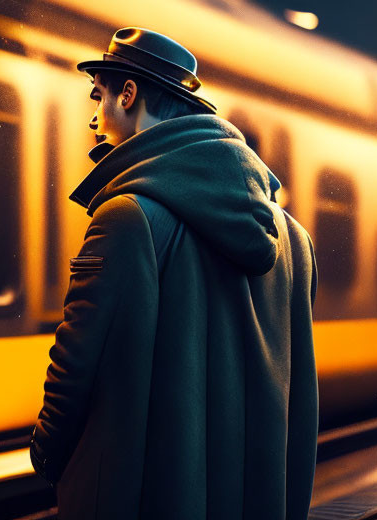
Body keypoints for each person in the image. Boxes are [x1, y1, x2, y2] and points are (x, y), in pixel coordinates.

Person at [30, 27, 318, 520]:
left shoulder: (125, 218)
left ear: (129, 94)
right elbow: (303, 401)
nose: (94, 117)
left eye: (99, 97)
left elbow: (76, 365)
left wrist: (47, 454)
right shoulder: (295, 241)